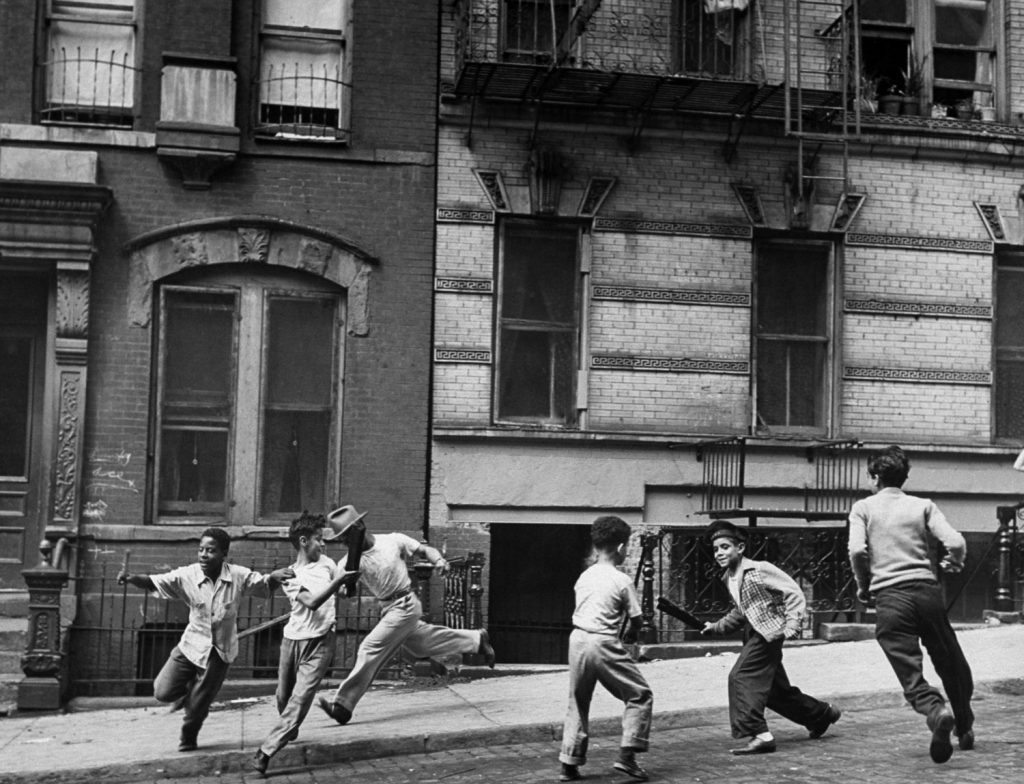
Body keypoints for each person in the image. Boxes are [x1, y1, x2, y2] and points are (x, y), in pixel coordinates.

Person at [848, 445, 974, 764]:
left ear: (874, 476)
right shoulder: (922, 505)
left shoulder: (863, 508)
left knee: (910, 671)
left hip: (890, 598)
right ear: (904, 477)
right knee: (950, 660)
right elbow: (956, 542)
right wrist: (954, 563)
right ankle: (964, 725)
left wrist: (864, 586)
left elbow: (857, 552)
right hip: (927, 593)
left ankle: (936, 711)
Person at [117, 527, 293, 752]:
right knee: (162, 691)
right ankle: (189, 692)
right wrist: (131, 578)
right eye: (201, 550)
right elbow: (155, 581)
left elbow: (263, 583)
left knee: (198, 704)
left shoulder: (237, 575)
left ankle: (188, 737)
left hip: (219, 651)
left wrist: (275, 577)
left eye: (210, 551)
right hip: (191, 645)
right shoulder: (187, 575)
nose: (203, 555)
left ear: (223, 554)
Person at [316, 505, 495, 726]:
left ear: (359, 528)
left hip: (405, 603)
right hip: (388, 609)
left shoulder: (392, 540)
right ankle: (477, 640)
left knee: (370, 647)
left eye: (346, 536)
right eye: (341, 539)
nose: (344, 542)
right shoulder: (348, 562)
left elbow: (424, 550)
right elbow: (344, 593)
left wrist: (438, 560)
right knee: (421, 644)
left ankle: (343, 705)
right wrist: (345, 585)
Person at [700, 520, 841, 755]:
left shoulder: (758, 569)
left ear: (740, 548)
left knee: (741, 677)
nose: (719, 553)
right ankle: (822, 714)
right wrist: (715, 627)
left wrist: (792, 625)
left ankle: (760, 734)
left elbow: (794, 592)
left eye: (725, 547)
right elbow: (741, 611)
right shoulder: (729, 577)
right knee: (776, 692)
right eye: (716, 549)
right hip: (753, 633)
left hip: (768, 634)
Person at [253, 512, 359, 776]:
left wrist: (350, 581)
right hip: (292, 640)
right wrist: (338, 582)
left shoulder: (327, 563)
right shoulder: (290, 575)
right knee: (283, 698)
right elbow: (311, 602)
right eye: (318, 540)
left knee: (300, 699)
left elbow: (346, 592)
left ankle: (266, 750)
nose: (323, 545)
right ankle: (290, 727)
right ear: (303, 541)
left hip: (322, 640)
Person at [558, 515, 653, 782]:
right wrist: (631, 637)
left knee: (577, 700)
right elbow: (637, 619)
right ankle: (627, 756)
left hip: (577, 640)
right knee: (639, 695)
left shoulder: (584, 576)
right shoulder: (621, 579)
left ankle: (569, 761)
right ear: (621, 548)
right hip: (603, 641)